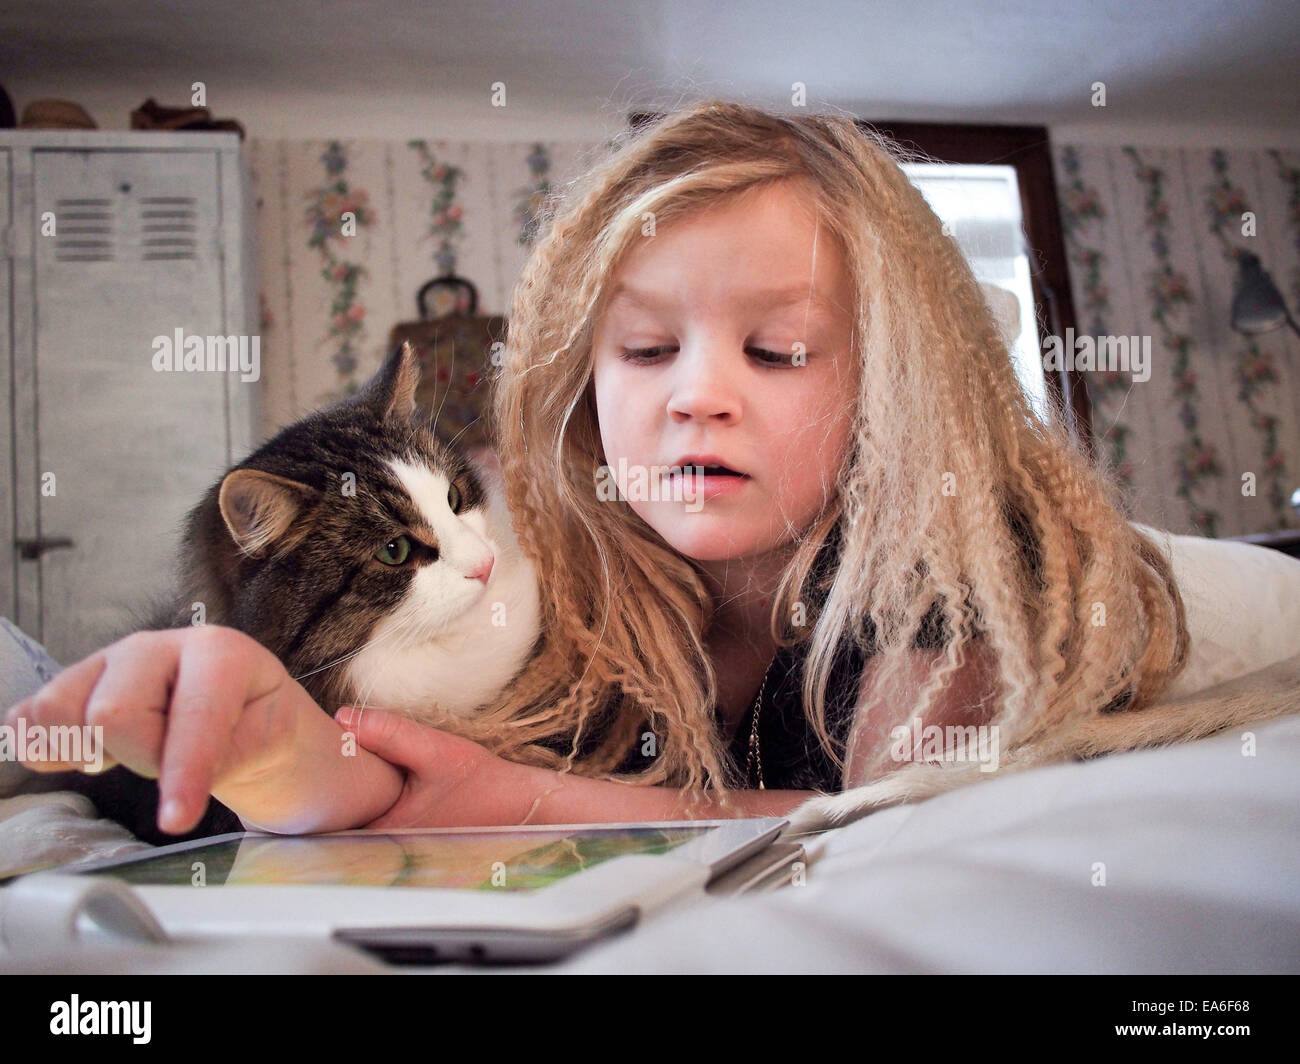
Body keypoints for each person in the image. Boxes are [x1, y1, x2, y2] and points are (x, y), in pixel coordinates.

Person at [2, 100, 1190, 838]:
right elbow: (403, 775)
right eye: (644, 348)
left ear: (899, 382)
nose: (694, 393)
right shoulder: (576, 577)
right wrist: (267, 738)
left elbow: (905, 825)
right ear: (582, 379)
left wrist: (542, 801)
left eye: (775, 348)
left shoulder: (944, 561)